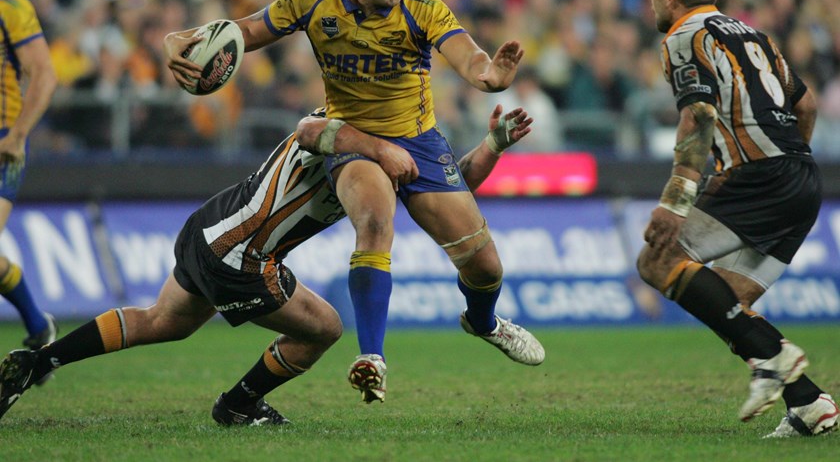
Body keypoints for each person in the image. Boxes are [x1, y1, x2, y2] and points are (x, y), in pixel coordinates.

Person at [164, 0, 545, 404]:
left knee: (486, 267)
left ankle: (484, 320)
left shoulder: (421, 5)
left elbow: (470, 59)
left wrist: (491, 75)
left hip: (419, 139)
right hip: (353, 136)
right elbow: (243, 31)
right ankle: (372, 357)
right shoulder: (312, 0)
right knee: (373, 218)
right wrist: (180, 39)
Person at [0, 103, 534, 425]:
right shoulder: (345, 131)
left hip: (210, 226)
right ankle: (238, 404)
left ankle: (36, 363)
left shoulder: (385, 138)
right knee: (324, 327)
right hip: (241, 256)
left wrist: (492, 145)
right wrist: (377, 149)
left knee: (159, 322)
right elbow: (311, 129)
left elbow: (442, 199)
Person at [637, 0, 837, 438]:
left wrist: (675, 201)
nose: (650, 2)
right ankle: (810, 404)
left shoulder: (684, 35)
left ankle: (774, 358)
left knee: (657, 262)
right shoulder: (755, 35)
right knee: (728, 304)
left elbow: (698, 115)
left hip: (760, 177)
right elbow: (805, 105)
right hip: (804, 178)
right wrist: (787, 164)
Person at [0, 0, 59, 373]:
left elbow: (45, 74)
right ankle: (38, 325)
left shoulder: (11, 8)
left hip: (4, 144)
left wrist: (20, 135)